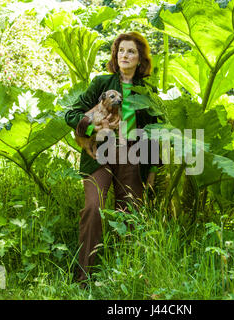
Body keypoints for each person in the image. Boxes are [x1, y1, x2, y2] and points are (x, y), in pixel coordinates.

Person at [64, 31, 159, 285]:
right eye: (121, 51)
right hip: (100, 154)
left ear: (141, 59)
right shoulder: (102, 82)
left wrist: (152, 171)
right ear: (115, 56)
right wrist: (94, 128)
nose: (125, 55)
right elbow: (71, 113)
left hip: (133, 155)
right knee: (93, 208)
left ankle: (127, 277)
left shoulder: (146, 90)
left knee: (130, 214)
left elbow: (154, 131)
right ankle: (84, 278)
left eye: (131, 51)